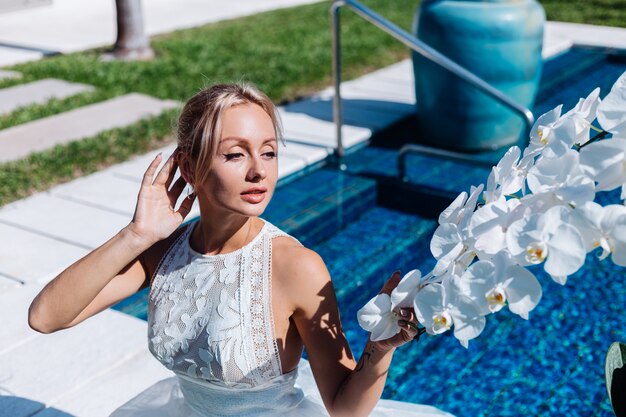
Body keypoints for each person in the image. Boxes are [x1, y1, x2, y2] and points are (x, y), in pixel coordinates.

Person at [28, 83, 454, 417]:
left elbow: (344, 408)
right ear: (190, 168)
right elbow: (46, 317)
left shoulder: (296, 267)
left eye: (268, 152)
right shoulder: (165, 252)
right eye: (235, 154)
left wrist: (379, 349)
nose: (259, 170)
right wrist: (136, 235)